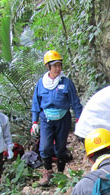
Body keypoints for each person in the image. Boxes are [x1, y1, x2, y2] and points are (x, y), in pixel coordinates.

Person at [31, 50, 83, 186]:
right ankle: (48, 171)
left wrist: (79, 120)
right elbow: (36, 103)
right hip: (46, 119)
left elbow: (75, 102)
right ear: (48, 67)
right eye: (55, 66)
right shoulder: (41, 84)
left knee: (61, 148)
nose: (58, 68)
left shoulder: (66, 83)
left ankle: (60, 174)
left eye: (60, 65)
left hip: (63, 118)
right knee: (45, 147)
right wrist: (34, 121)